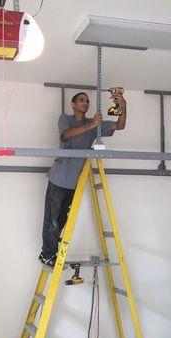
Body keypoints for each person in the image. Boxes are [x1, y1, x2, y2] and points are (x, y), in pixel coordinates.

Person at [38, 91, 127, 266]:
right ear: (73, 104)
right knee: (52, 219)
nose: (85, 103)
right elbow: (66, 135)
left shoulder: (93, 124)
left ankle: (51, 252)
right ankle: (46, 254)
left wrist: (124, 105)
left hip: (74, 182)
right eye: (81, 100)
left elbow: (120, 126)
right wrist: (93, 124)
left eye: (87, 101)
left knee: (62, 220)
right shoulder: (65, 119)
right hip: (59, 178)